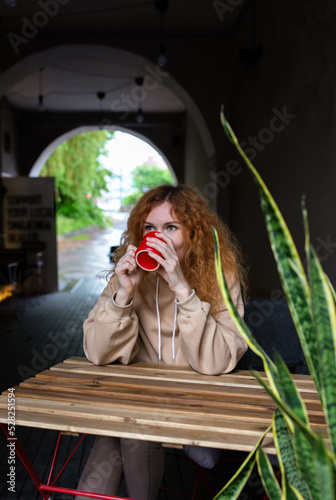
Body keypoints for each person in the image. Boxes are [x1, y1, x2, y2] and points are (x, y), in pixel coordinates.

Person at [75, 183, 248, 500]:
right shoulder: (127, 275)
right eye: (150, 228)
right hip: (137, 403)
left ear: (193, 233)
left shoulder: (220, 274)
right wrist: (123, 294)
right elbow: (97, 353)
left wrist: (183, 289)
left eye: (171, 227)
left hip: (198, 405)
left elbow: (219, 360)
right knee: (123, 428)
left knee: (127, 429)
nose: (159, 238)